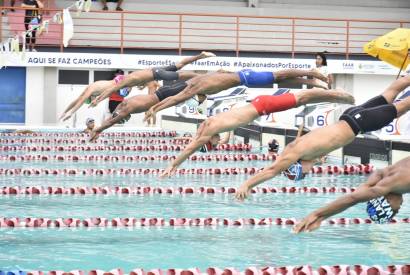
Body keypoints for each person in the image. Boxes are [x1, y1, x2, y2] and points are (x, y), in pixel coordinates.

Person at [235, 75, 410, 200]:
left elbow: (272, 170)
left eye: (303, 173)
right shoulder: (305, 152)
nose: (308, 172)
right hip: (350, 117)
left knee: (401, 107)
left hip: (359, 123)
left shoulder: (295, 153)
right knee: (390, 93)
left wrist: (247, 185)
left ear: (296, 167)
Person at [160, 88, 354, 177]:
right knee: (300, 99)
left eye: (212, 144)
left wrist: (173, 165)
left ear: (206, 141)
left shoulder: (209, 129)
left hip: (261, 107)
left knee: (301, 98)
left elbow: (191, 147)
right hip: (259, 106)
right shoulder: (207, 126)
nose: (217, 143)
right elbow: (194, 140)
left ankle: (336, 95)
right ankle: (332, 94)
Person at [143, 68, 330, 122]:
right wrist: (154, 108)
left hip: (245, 78)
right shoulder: (195, 80)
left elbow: (175, 98)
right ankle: (312, 81)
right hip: (242, 75)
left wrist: (154, 107)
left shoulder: (193, 89)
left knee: (279, 76)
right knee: (279, 79)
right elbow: (220, 71)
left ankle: (312, 74)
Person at [293, 157, 410, 233]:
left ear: (386, 203)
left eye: (395, 211)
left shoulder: (389, 182)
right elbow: (357, 195)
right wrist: (321, 217)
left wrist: (317, 215)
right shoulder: (385, 176)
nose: (398, 210)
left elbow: (353, 198)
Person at [89, 78, 202, 142]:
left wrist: (98, 130)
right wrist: (114, 115)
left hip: (162, 96)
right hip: (161, 93)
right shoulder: (125, 102)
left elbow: (111, 121)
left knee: (192, 85)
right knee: (190, 84)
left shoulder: (127, 109)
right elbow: (114, 116)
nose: (125, 118)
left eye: (124, 119)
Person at [89, 52, 216, 107]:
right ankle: (201, 56)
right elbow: (111, 91)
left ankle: (206, 77)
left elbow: (109, 91)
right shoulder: (133, 79)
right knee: (180, 65)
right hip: (156, 71)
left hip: (157, 73)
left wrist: (98, 100)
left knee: (183, 75)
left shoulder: (124, 82)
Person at [59, 69, 133, 122]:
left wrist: (71, 113)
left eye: (91, 100)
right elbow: (77, 100)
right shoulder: (96, 92)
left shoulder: (91, 90)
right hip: (116, 84)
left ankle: (137, 83)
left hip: (117, 83)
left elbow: (81, 101)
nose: (93, 101)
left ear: (90, 98)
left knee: (129, 87)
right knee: (127, 89)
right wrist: (64, 112)